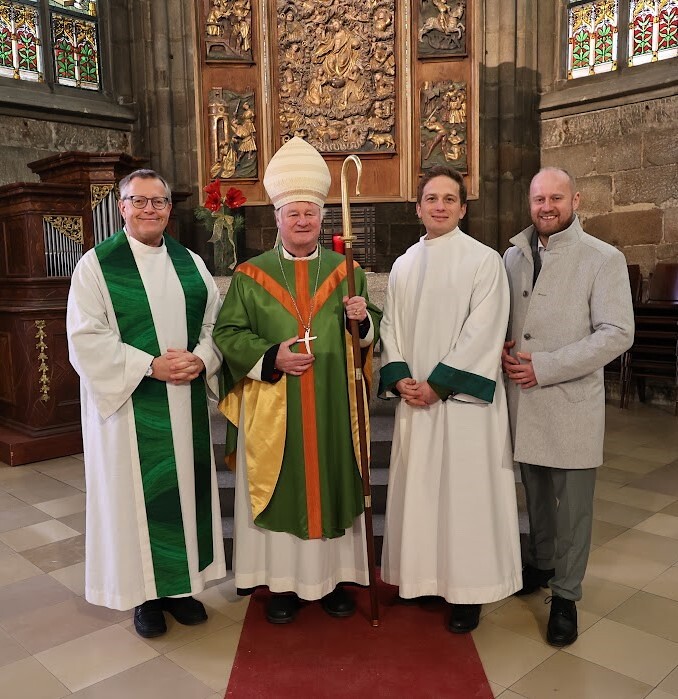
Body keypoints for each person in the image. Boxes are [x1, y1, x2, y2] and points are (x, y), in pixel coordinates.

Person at [213, 137, 381, 625]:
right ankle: (282, 585)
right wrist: (271, 357)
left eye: (310, 212)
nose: (302, 220)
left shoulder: (347, 271)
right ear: (278, 218)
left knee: (333, 480)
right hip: (275, 404)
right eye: (293, 213)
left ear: (322, 218)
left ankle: (332, 581)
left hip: (332, 403)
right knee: (282, 482)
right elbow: (228, 332)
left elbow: (369, 330)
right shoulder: (251, 275)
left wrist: (361, 319)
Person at [67, 169, 226, 638]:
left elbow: (214, 325)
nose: (149, 209)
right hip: (129, 409)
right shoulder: (97, 266)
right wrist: (148, 366)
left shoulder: (190, 263)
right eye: (139, 201)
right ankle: (145, 598)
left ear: (169, 209)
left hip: (184, 401)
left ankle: (182, 590)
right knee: (136, 498)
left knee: (185, 493)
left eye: (158, 202)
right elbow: (85, 338)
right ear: (122, 207)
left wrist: (201, 359)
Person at [380, 165, 522, 634]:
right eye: (431, 199)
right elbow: (389, 326)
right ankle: (421, 577)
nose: (439, 206)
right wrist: (400, 377)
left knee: (464, 496)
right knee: (421, 489)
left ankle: (468, 590)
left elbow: (485, 329)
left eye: (448, 199)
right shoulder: (403, 264)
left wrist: (438, 385)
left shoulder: (483, 260)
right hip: (416, 400)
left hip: (461, 405)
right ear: (418, 208)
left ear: (463, 209)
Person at [502, 167, 634, 647]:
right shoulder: (513, 256)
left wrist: (547, 366)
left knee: (573, 507)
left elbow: (617, 333)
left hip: (570, 400)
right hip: (524, 399)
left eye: (556, 198)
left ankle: (566, 596)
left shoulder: (603, 258)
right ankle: (541, 563)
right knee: (535, 495)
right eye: (539, 199)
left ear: (575, 200)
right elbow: (507, 317)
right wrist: (502, 344)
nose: (547, 207)